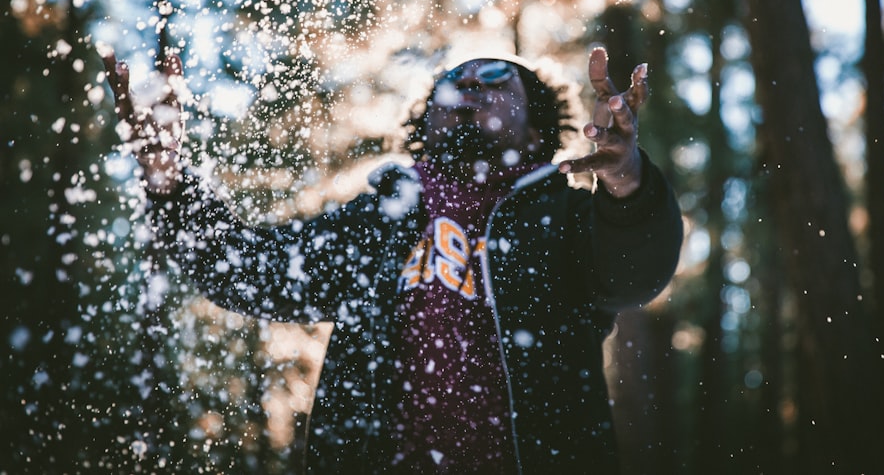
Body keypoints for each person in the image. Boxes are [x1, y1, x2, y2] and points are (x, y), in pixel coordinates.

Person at [103, 46, 683, 474]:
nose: (469, 89)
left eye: (493, 82)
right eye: (453, 84)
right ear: (426, 118)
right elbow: (252, 270)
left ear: (536, 129)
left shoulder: (565, 216)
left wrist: (627, 179)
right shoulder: (382, 216)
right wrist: (169, 182)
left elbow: (636, 275)